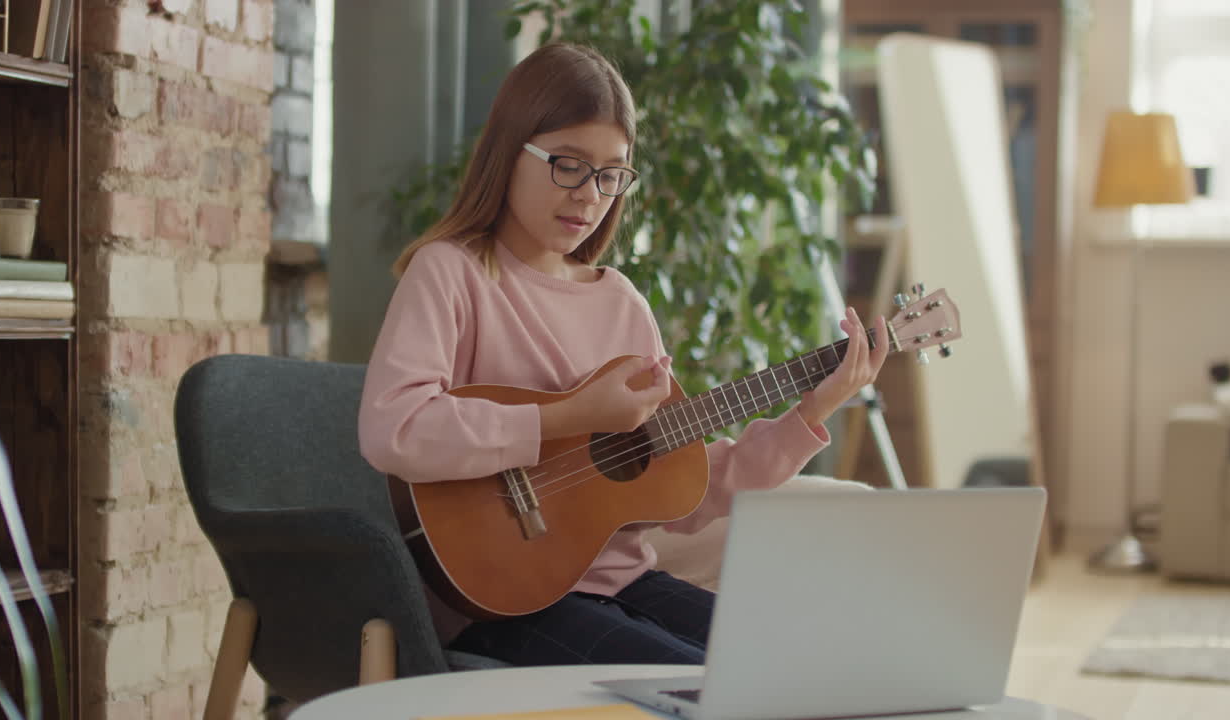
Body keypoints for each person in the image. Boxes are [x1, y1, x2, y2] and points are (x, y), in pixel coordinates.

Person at [358, 43, 888, 667]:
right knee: (702, 684)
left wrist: (810, 415)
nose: (590, 196)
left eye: (612, 174)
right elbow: (392, 428)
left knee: (803, 659)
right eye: (568, 165)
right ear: (509, 150)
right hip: (505, 603)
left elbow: (683, 485)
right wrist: (570, 417)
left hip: (624, 583)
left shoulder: (623, 304)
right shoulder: (451, 273)